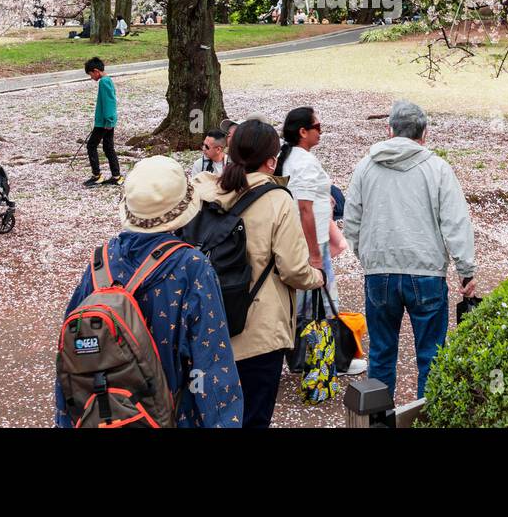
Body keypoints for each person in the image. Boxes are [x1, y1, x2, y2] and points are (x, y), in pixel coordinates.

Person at [55, 155, 243, 427]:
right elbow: (211, 365)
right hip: (173, 417)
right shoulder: (191, 268)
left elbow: (69, 354)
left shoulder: (101, 263)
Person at [191, 120, 323, 428]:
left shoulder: (206, 192)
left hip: (210, 322)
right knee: (253, 417)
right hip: (258, 330)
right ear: (271, 160)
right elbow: (293, 269)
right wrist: (317, 277)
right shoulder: (277, 199)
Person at [343, 100, 476, 400]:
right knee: (430, 356)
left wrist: (367, 256)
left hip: (379, 273)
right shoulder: (437, 169)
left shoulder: (367, 166)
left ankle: (379, 419)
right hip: (426, 273)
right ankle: (425, 417)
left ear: (389, 130)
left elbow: (351, 221)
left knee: (381, 354)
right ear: (424, 133)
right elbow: (456, 222)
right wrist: (465, 271)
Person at [276, 107, 341, 313]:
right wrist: (314, 253)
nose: (320, 132)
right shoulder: (303, 161)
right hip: (312, 241)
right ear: (303, 132)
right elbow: (304, 208)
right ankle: (318, 342)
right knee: (319, 302)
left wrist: (324, 197)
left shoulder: (291, 157)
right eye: (317, 127)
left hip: (304, 238)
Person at [82, 57, 122, 187]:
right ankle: (116, 176)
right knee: (108, 147)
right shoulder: (107, 80)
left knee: (91, 146)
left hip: (104, 123)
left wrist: (109, 120)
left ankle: (97, 175)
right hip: (107, 121)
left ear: (96, 71)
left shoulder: (104, 82)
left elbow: (109, 102)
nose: (91, 77)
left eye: (90, 74)